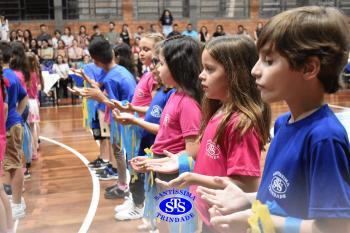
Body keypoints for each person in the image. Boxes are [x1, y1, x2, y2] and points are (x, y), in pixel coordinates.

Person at [198, 6, 350, 233]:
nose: (254, 71)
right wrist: (247, 199)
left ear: (309, 68)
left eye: (268, 61)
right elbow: (284, 196)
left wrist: (259, 218)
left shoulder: (324, 138)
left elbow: (336, 228)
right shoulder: (283, 123)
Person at [147, 35, 271, 233]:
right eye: (202, 68)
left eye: (210, 69)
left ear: (234, 74)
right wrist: (180, 159)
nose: (201, 75)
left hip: (227, 221)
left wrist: (193, 178)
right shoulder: (218, 110)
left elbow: (246, 186)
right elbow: (208, 158)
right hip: (211, 214)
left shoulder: (240, 123)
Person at [130, 36, 203, 232]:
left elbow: (192, 151)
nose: (157, 69)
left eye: (161, 63)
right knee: (163, 220)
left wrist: (160, 162)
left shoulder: (188, 103)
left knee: (175, 223)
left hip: (175, 173)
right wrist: (152, 159)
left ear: (177, 66)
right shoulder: (174, 95)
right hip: (163, 166)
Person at [1, 41, 28, 220]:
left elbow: (4, 106)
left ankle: (17, 204)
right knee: (13, 164)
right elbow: (24, 97)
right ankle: (17, 200)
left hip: (8, 126)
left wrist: (11, 119)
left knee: (14, 165)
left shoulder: (5, 77)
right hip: (12, 123)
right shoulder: (12, 74)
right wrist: (16, 115)